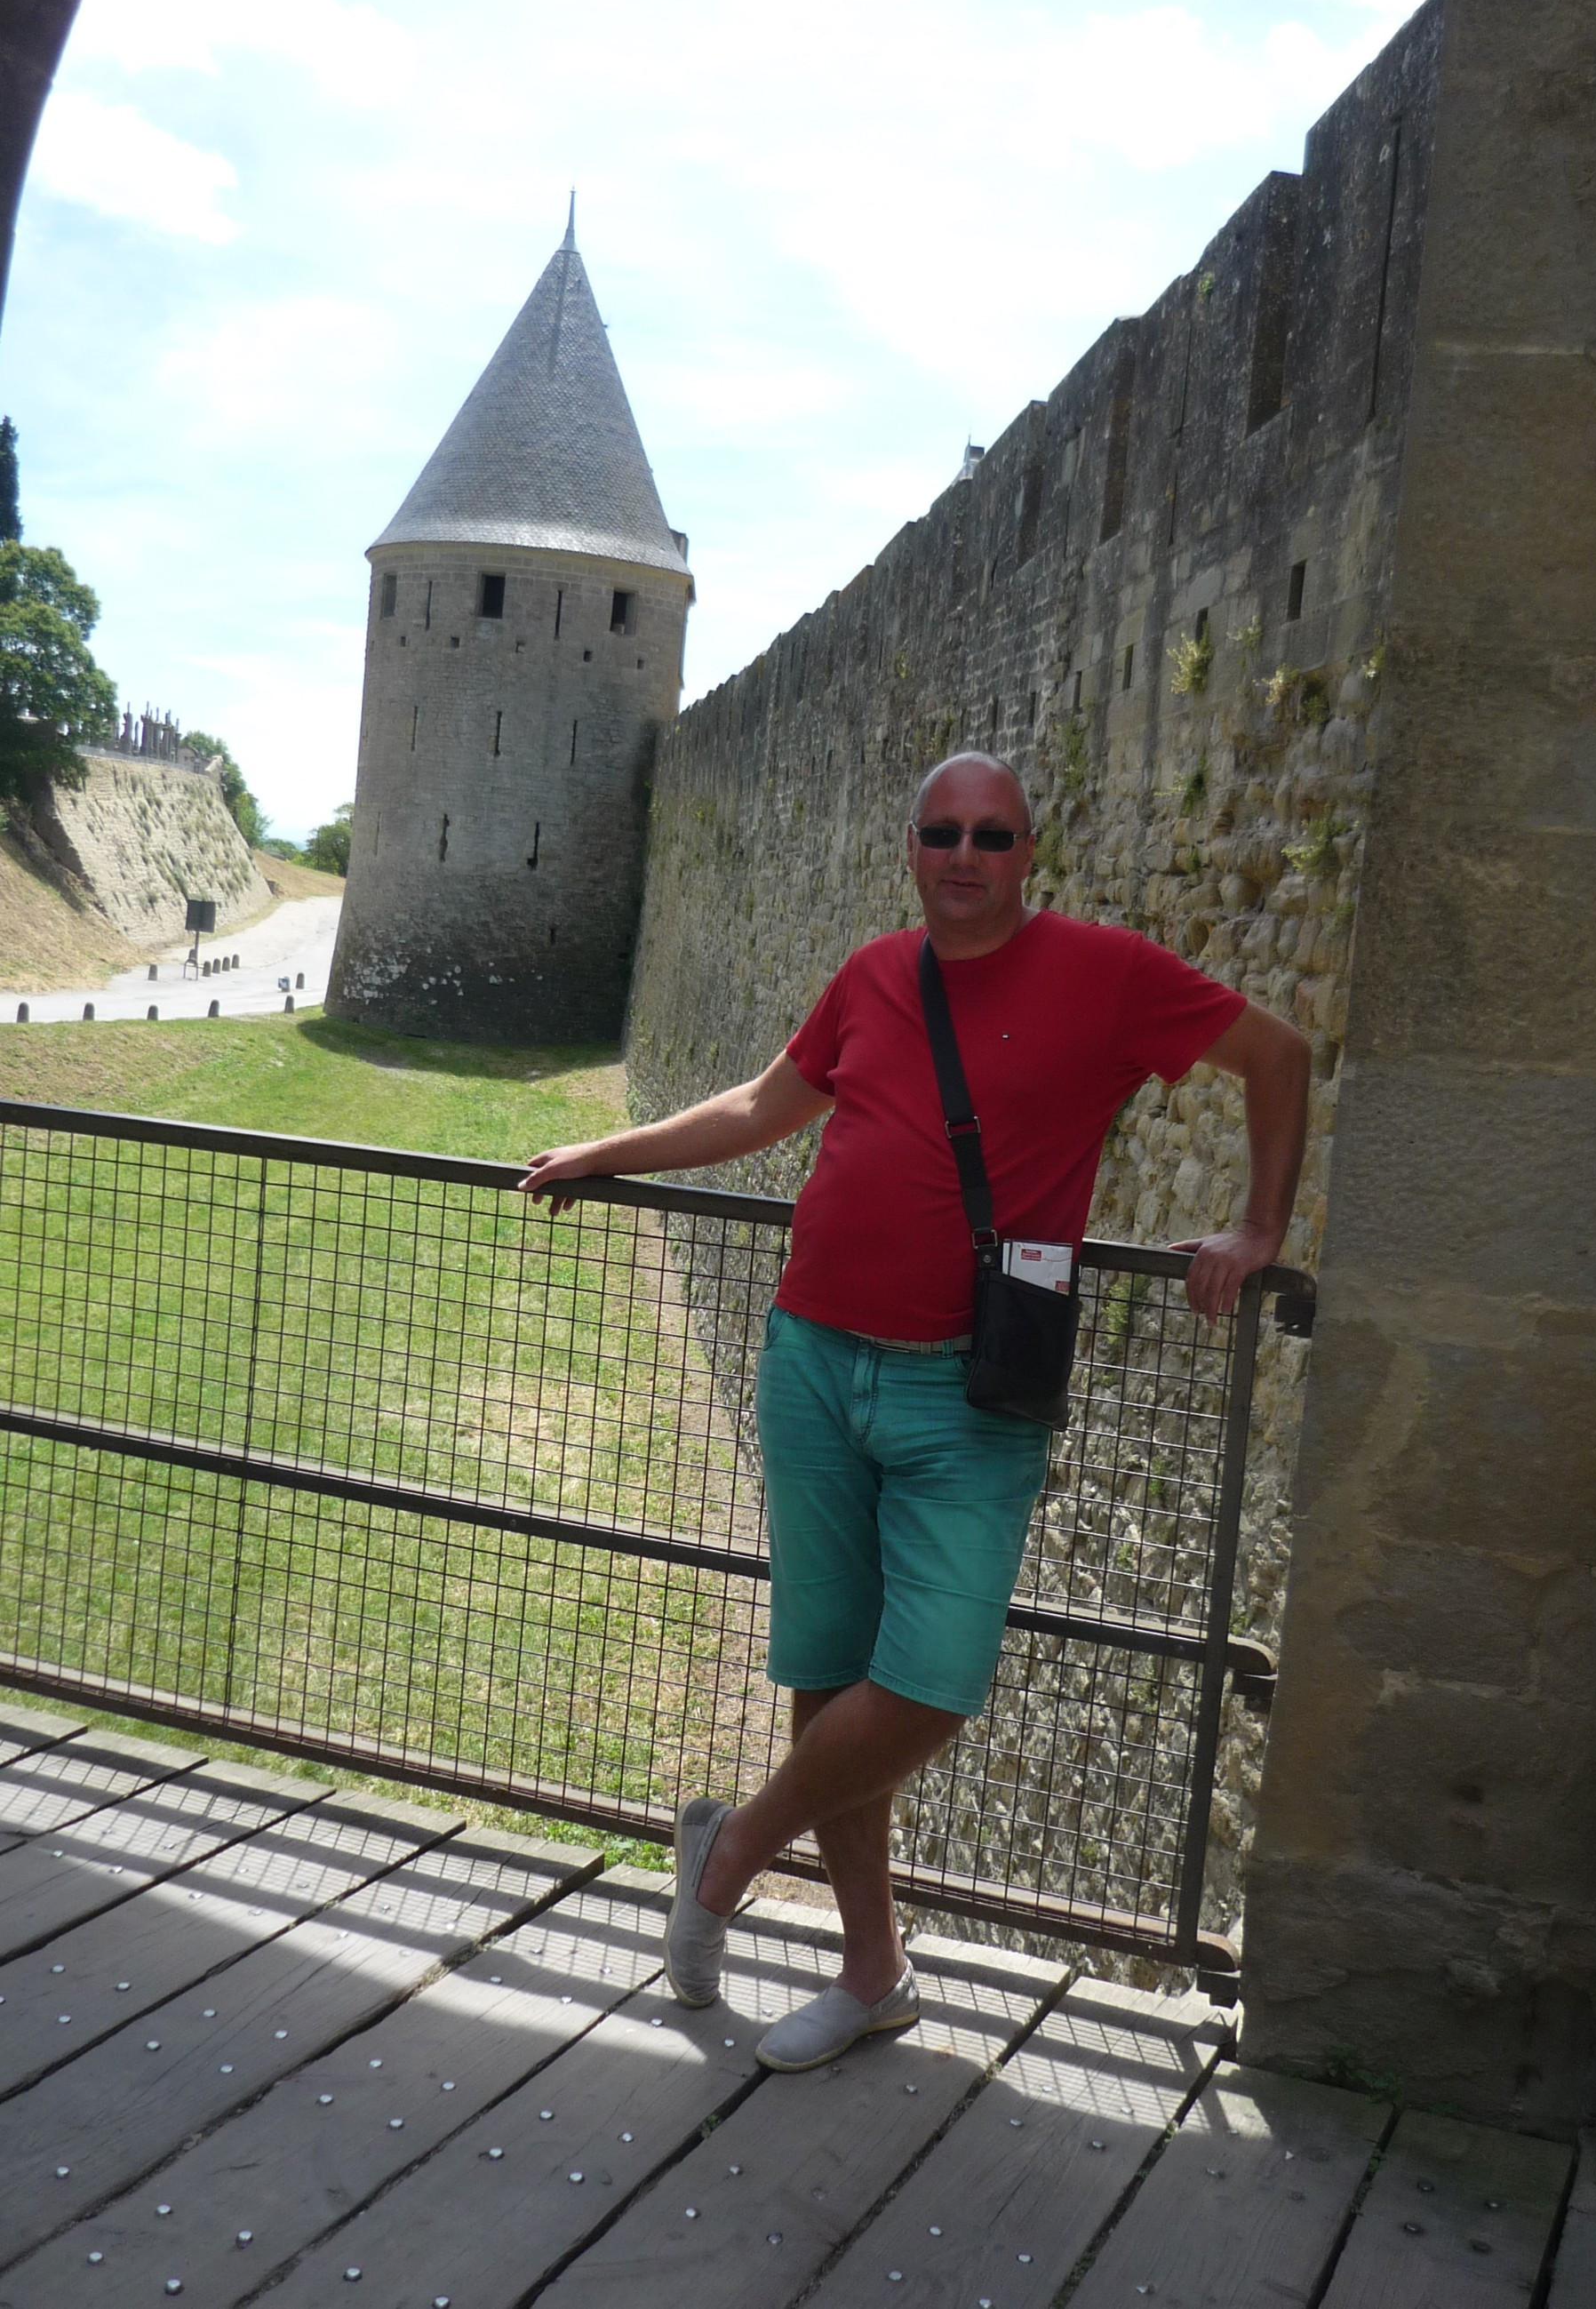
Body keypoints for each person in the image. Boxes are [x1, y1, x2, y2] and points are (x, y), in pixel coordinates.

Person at [521, 751, 1309, 2071]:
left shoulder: (1109, 974)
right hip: (814, 1363)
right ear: (911, 846)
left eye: (991, 834)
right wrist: (608, 1151)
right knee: (826, 1673)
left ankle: (728, 1854)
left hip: (970, 1385)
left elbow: (1277, 1055)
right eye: (941, 831)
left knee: (932, 1683)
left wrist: (1259, 1221)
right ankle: (873, 1968)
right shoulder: (876, 973)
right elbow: (768, 1106)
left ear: (1027, 852)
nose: (964, 854)